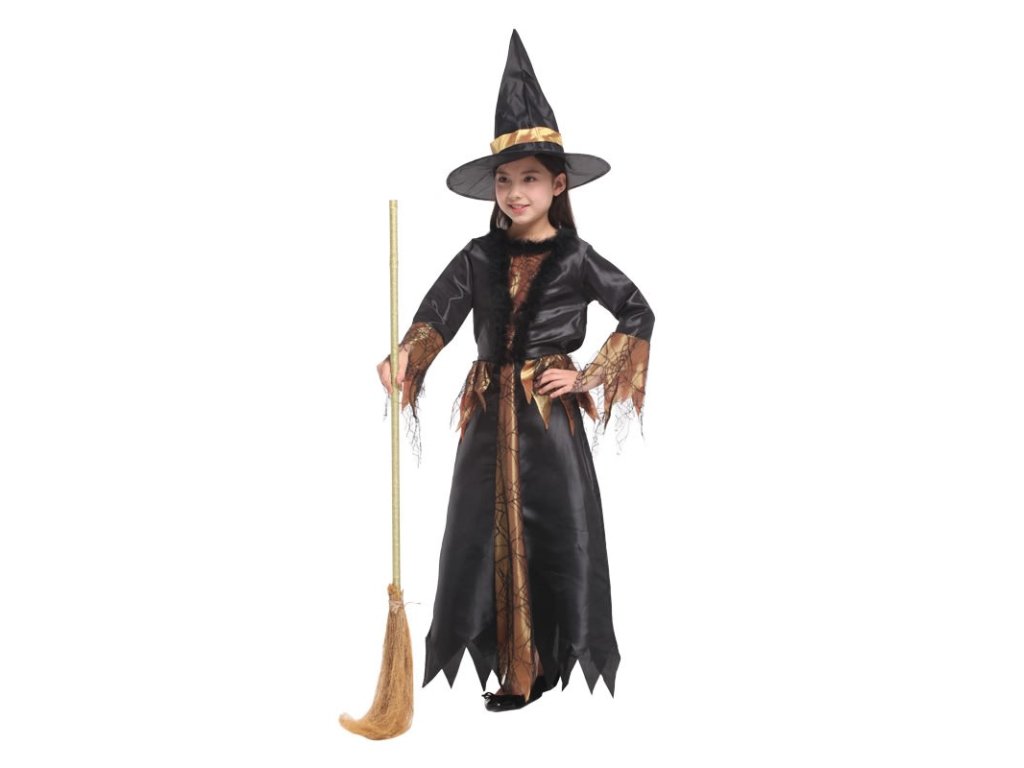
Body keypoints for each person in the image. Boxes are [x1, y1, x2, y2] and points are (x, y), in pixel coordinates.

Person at [376, 30, 654, 712]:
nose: (514, 191)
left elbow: (637, 311)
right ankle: (514, 665)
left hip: (547, 422)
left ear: (558, 184)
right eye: (504, 179)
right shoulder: (478, 256)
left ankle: (542, 663)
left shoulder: (577, 257)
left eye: (529, 178)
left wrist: (589, 375)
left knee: (553, 531)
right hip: (487, 421)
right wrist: (404, 358)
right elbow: (436, 317)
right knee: (482, 533)